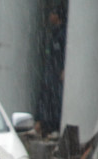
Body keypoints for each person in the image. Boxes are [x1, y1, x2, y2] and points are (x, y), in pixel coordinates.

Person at [37, 5, 66, 139]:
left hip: (57, 74)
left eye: (52, 14)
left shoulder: (63, 34)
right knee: (46, 98)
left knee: (56, 100)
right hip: (51, 72)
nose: (49, 17)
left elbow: (65, 53)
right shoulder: (53, 34)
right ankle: (44, 125)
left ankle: (55, 127)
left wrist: (64, 69)